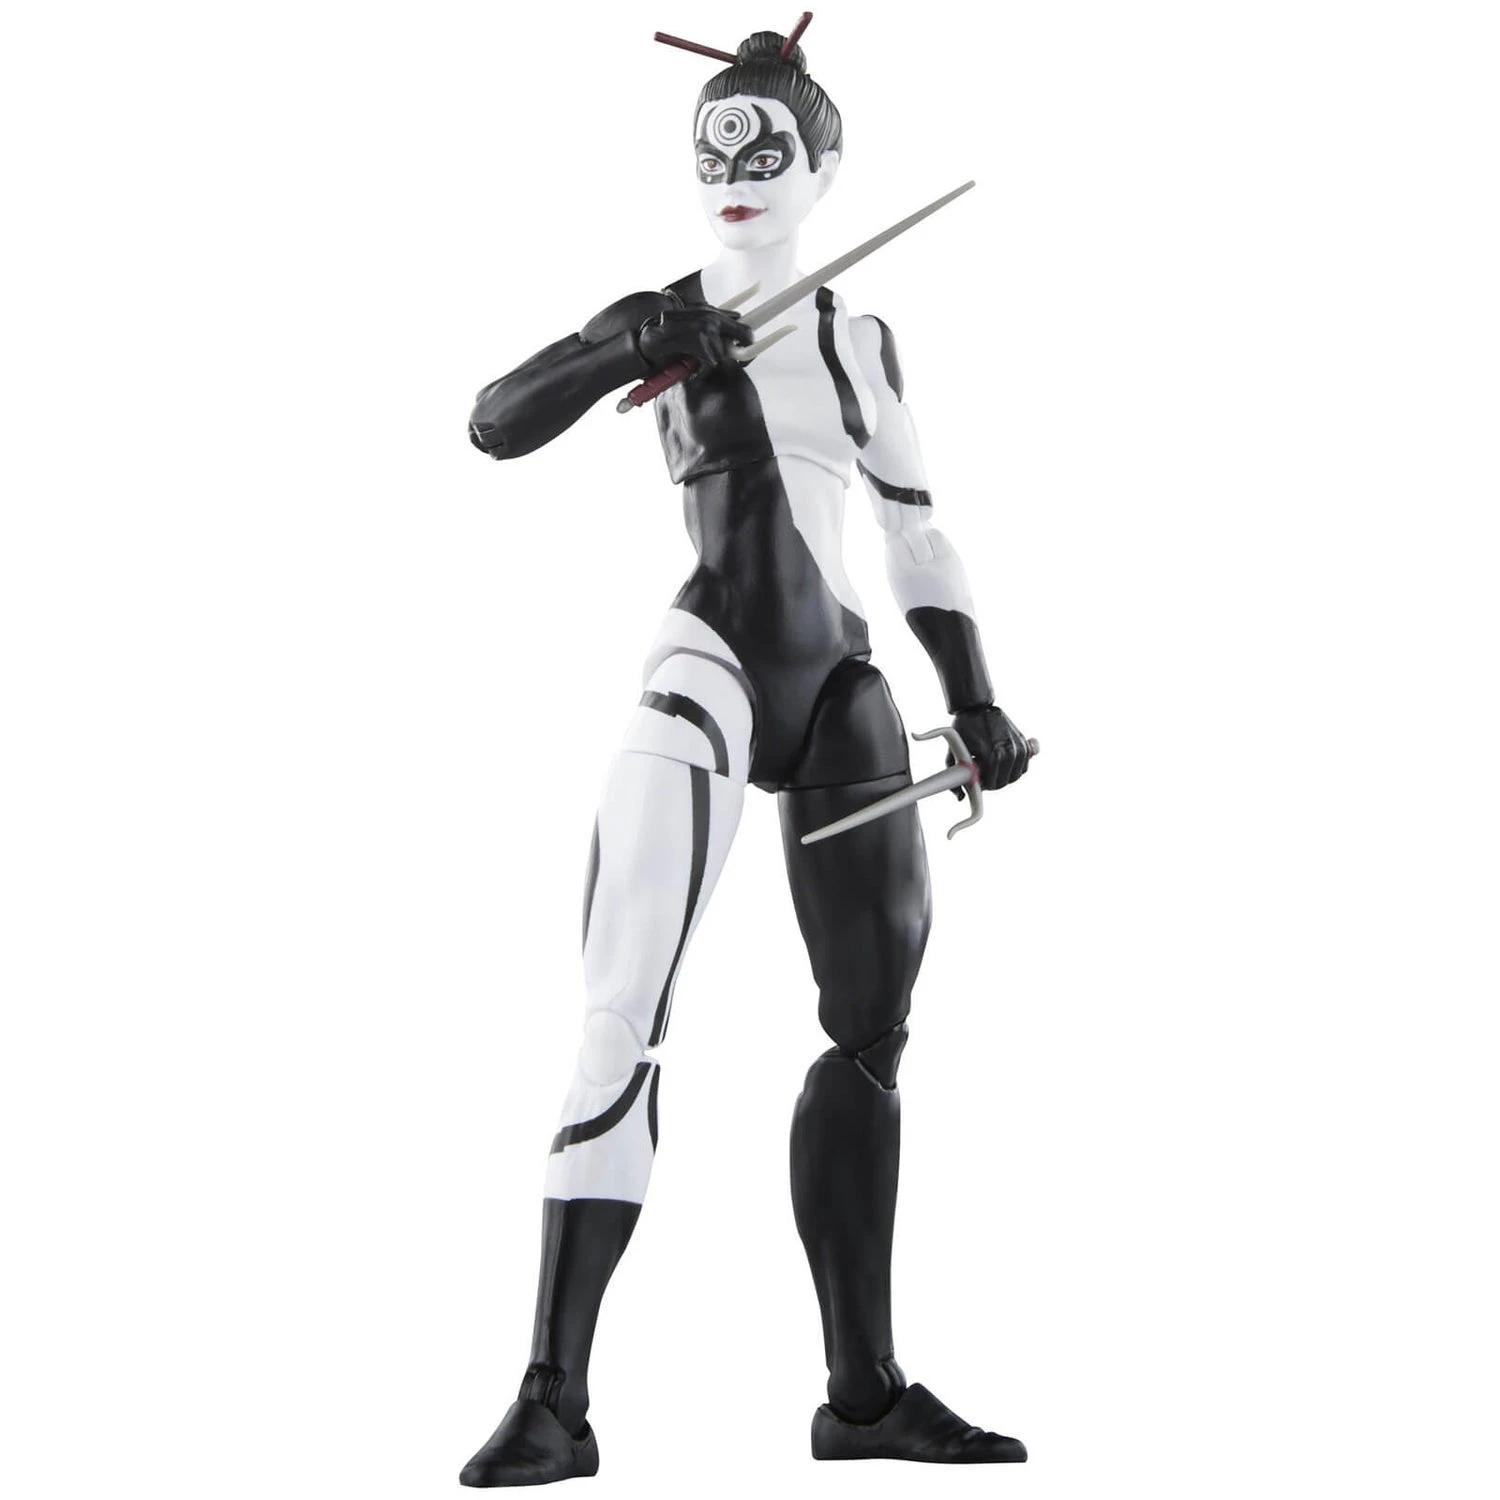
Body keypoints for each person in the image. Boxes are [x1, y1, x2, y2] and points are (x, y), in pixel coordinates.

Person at [460, 24, 1033, 1485]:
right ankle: (553, 1398)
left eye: (768, 147)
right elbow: (495, 423)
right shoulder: (663, 312)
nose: (737, 171)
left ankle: (864, 1397)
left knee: (872, 1036)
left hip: (842, 686)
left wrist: (974, 694)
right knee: (621, 1010)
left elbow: (914, 527)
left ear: (824, 169)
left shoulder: (861, 339)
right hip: (708, 665)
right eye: (714, 145)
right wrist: (637, 345)